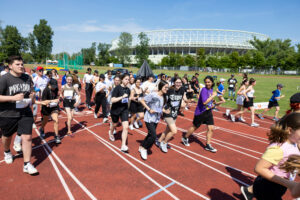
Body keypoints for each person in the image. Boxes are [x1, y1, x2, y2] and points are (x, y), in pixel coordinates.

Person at [240, 112, 300, 200]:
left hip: (280, 185)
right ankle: (249, 191)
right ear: (290, 130)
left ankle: (247, 192)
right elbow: (259, 168)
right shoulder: (278, 149)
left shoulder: (295, 142)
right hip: (267, 186)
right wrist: (288, 184)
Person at [0, 55, 38, 175]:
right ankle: (7, 151)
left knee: (27, 137)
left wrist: (32, 96)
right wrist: (13, 98)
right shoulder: (4, 79)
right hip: (8, 113)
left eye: (22, 64)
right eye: (18, 64)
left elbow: (31, 92)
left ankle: (27, 164)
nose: (21, 66)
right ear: (10, 66)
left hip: (25, 112)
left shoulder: (27, 78)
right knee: (7, 136)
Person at [182, 76, 219, 153]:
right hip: (200, 112)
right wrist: (213, 96)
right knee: (195, 127)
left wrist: (213, 101)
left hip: (208, 111)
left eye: (209, 82)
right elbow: (204, 102)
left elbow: (209, 99)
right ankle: (185, 137)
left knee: (211, 128)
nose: (207, 83)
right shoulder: (204, 90)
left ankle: (208, 145)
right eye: (206, 82)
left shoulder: (211, 89)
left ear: (212, 82)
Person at [139, 80, 170, 160]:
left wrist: (165, 111)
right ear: (160, 87)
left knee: (150, 134)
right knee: (153, 136)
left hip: (156, 119)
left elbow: (160, 108)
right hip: (149, 118)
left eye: (167, 87)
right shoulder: (153, 95)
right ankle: (144, 149)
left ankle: (142, 146)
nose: (167, 89)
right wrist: (149, 109)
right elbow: (142, 100)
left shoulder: (164, 97)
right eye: (165, 87)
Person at [157, 77, 189, 153]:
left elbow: (183, 98)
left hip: (175, 113)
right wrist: (163, 110)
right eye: (177, 82)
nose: (178, 84)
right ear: (174, 83)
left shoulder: (182, 90)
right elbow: (161, 97)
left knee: (168, 129)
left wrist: (186, 101)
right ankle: (164, 143)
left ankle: (159, 141)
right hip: (168, 113)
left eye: (180, 82)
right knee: (174, 131)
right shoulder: (170, 90)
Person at [109, 74, 131, 152]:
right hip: (115, 109)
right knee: (115, 124)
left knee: (125, 127)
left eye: (128, 79)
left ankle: (123, 145)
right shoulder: (117, 88)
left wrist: (128, 110)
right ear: (122, 79)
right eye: (126, 79)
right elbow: (112, 100)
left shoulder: (128, 89)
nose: (127, 81)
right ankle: (111, 132)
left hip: (124, 110)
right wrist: (122, 97)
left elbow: (128, 100)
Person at [39, 72, 61, 143]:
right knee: (45, 121)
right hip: (46, 108)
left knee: (56, 120)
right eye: (53, 86)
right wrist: (50, 102)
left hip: (54, 107)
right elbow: (43, 101)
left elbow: (57, 97)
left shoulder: (56, 89)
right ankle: (42, 128)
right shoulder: (45, 90)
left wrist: (58, 100)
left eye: (55, 86)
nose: (54, 87)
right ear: (49, 84)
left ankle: (56, 135)